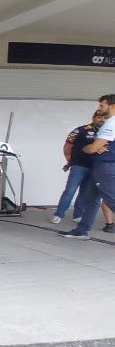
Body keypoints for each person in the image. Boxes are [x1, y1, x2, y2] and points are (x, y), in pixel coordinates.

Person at [59, 94, 115, 240]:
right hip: (100, 167)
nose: (99, 108)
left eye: (102, 105)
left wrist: (88, 147)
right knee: (92, 199)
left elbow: (92, 148)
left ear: (112, 106)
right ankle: (81, 230)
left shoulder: (111, 124)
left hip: (106, 167)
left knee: (111, 200)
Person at [51, 110, 105, 224]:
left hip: (95, 167)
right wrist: (69, 160)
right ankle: (59, 214)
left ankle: (78, 215)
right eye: (99, 117)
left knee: (84, 192)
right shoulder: (81, 130)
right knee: (70, 190)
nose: (101, 119)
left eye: (104, 117)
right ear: (93, 117)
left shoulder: (107, 132)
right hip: (79, 165)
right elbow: (68, 145)